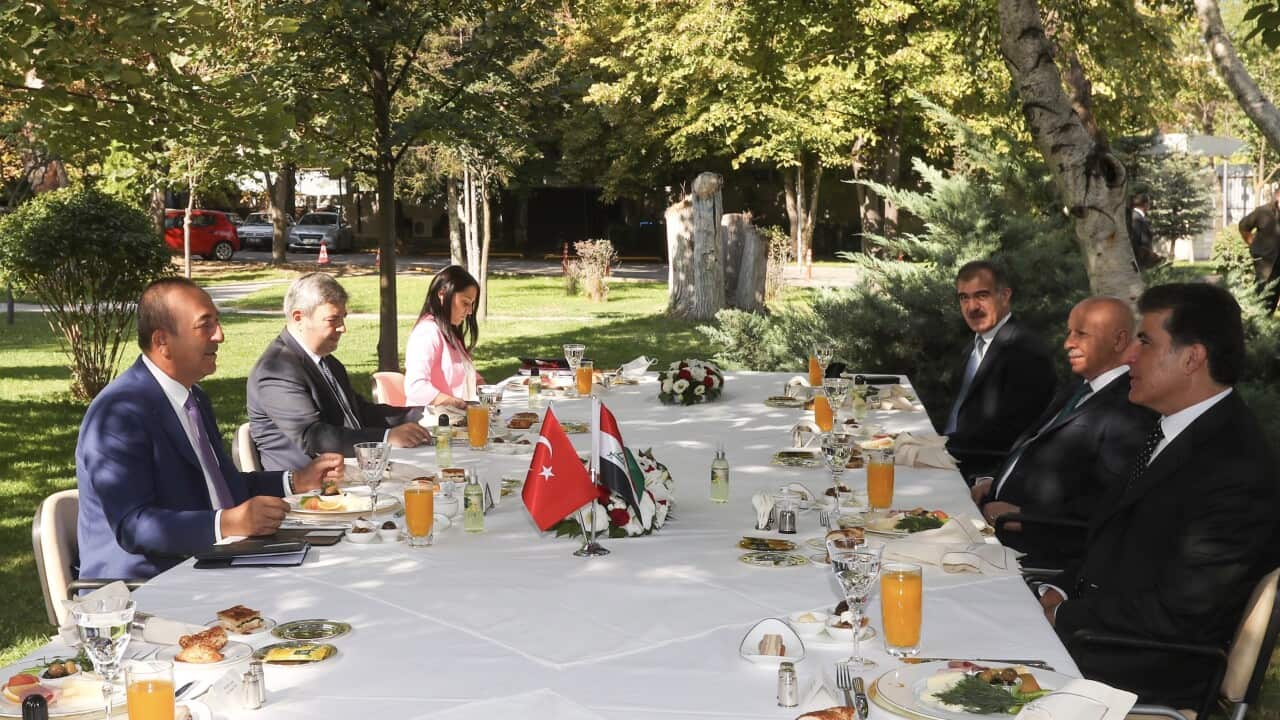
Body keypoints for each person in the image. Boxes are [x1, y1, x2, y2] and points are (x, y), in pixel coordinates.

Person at [1040, 283, 1279, 708]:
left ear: (1193, 357)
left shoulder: (1235, 466)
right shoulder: (1171, 429)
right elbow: (1110, 543)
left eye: (1146, 342)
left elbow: (1184, 611)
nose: (1130, 354)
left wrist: (1065, 615)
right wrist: (1056, 590)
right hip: (1099, 639)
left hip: (1136, 673)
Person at [76, 278, 343, 580]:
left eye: (218, 322)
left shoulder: (194, 398)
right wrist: (227, 524)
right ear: (162, 341)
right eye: (206, 325)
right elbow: (134, 526)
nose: (220, 335)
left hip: (215, 561)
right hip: (145, 588)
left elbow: (219, 487)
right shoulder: (118, 414)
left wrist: (295, 480)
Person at [971, 297, 1156, 567]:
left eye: (1081, 334)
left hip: (1029, 552)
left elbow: (1107, 504)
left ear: (1118, 341)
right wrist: (995, 480)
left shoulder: (1129, 408)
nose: (1068, 343)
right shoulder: (1079, 387)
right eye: (1069, 332)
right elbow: (1034, 447)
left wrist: (1026, 518)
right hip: (992, 523)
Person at [248, 273, 429, 471]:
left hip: (349, 473)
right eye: (332, 320)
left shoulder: (327, 362)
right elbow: (313, 436)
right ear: (299, 318)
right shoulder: (277, 370)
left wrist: (422, 414)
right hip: (308, 489)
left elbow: (360, 412)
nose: (343, 328)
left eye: (343, 318)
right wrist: (386, 437)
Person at [941, 260, 1057, 478]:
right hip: (950, 459)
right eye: (964, 298)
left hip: (982, 473)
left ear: (1005, 295)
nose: (972, 307)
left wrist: (937, 448)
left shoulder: (1026, 351)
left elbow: (1011, 435)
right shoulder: (974, 345)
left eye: (981, 296)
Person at [404, 265, 483, 409]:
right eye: (465, 302)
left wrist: (487, 390)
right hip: (431, 423)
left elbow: (465, 373)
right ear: (442, 294)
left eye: (471, 304)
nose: (470, 311)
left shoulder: (449, 331)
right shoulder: (427, 332)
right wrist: (457, 404)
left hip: (453, 419)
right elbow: (415, 386)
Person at [1238, 188, 1280, 313]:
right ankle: (1258, 324)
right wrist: (1252, 244)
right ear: (1277, 197)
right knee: (1264, 295)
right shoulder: (1262, 212)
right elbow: (1243, 226)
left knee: (1274, 295)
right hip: (1266, 261)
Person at [1128, 193, 1163, 269]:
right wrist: (1152, 256)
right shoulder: (1137, 219)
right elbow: (1137, 242)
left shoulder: (1135, 217)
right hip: (1141, 263)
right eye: (1149, 203)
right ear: (1146, 204)